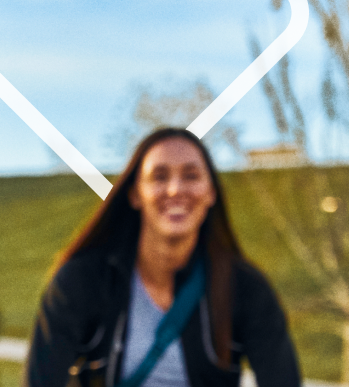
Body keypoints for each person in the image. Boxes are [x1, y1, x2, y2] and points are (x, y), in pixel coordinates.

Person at [26, 128, 300, 387]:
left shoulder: (246, 288)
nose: (174, 189)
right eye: (159, 176)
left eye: (191, 176)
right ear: (135, 194)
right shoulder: (83, 280)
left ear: (211, 193)